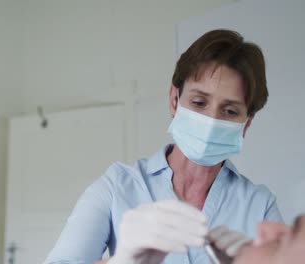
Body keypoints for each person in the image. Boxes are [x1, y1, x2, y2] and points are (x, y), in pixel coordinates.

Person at [44, 29, 283, 264]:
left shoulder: (260, 205)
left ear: (246, 124)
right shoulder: (117, 187)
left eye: (229, 111)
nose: (211, 121)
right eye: (199, 102)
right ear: (174, 100)